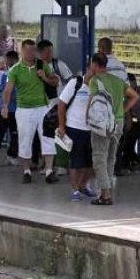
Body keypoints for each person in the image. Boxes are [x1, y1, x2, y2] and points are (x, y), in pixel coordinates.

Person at [1, 39, 59, 184]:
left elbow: (55, 80)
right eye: (27, 50)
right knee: (25, 140)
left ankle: (49, 171)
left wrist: (44, 77)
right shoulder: (15, 69)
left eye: (33, 50)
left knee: (48, 139)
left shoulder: (42, 65)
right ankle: (26, 171)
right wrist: (5, 106)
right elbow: (8, 89)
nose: (30, 53)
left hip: (42, 108)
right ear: (22, 51)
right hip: (24, 110)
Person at [88, 53, 139, 205]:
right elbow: (135, 96)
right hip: (118, 122)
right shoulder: (117, 81)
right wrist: (123, 110)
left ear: (94, 65)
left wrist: (87, 119)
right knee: (111, 158)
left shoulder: (95, 81)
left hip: (103, 124)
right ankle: (107, 191)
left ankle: (106, 194)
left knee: (99, 159)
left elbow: (91, 102)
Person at [56, 68, 98, 202]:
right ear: (89, 70)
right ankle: (74, 189)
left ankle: (83, 185)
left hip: (91, 129)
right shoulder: (75, 83)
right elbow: (61, 105)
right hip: (74, 128)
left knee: (92, 163)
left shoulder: (98, 86)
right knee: (76, 161)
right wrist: (62, 126)